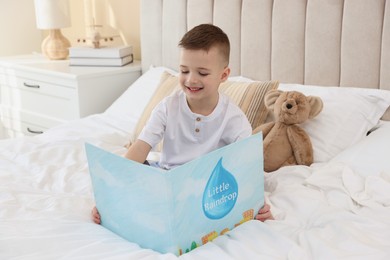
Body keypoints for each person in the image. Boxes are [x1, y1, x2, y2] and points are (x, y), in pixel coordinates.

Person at [92, 23, 273, 224]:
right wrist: (113, 192)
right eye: (184, 70)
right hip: (167, 178)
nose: (191, 80)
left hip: (206, 189)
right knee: (135, 173)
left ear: (223, 75)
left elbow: (248, 165)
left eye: (202, 73)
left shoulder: (233, 119)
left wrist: (259, 204)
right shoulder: (168, 106)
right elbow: (141, 146)